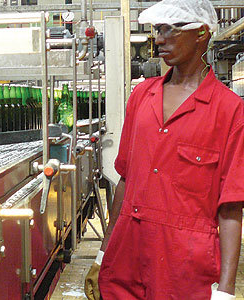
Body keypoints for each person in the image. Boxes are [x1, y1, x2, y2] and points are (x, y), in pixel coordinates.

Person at [84, 0, 244, 299]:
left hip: (183, 267)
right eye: (157, 29)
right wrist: (103, 254)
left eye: (170, 29)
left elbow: (231, 208)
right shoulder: (143, 95)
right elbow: (126, 180)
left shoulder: (229, 110)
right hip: (127, 257)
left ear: (202, 33)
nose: (159, 39)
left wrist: (225, 290)